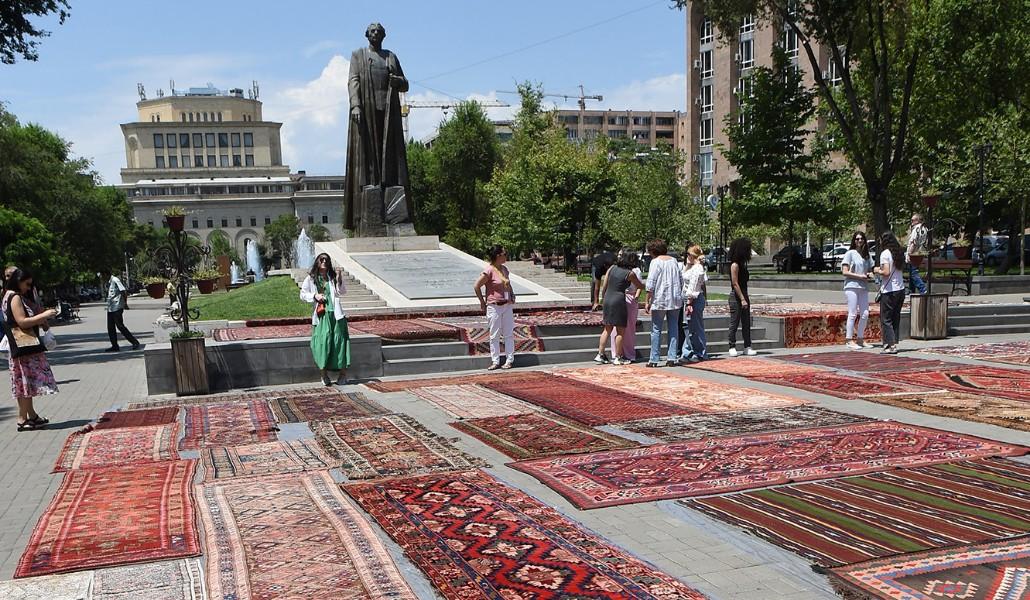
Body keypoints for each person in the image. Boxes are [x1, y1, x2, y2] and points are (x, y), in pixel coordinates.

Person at [343, 22, 413, 232]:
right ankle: (372, 188)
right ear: (367, 35)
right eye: (372, 31)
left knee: (390, 154)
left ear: (384, 35)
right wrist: (355, 105)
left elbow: (405, 84)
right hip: (367, 111)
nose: (375, 34)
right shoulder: (359, 56)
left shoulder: (391, 56)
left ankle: (390, 188)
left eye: (379, 31)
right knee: (369, 154)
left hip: (389, 113)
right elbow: (353, 81)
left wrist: (397, 80)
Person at [3, 268, 58, 431]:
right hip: (23, 345)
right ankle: (22, 418)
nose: (28, 288)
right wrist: (44, 316)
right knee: (24, 383)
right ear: (18, 281)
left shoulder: (9, 295)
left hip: (21, 346)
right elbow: (22, 321)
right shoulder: (14, 297)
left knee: (24, 383)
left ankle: (31, 415)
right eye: (27, 284)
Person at [300, 253, 351, 385]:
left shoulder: (332, 277)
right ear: (317, 262)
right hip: (322, 315)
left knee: (340, 343)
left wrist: (339, 278)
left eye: (326, 260)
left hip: (337, 315)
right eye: (321, 259)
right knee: (322, 343)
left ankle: (343, 375)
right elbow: (303, 294)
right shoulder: (311, 278)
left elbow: (342, 291)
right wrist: (315, 296)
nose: (324, 261)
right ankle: (323, 375)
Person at [594, 248, 645, 365]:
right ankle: (618, 356)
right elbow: (639, 286)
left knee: (607, 329)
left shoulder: (612, 268)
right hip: (618, 300)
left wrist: (603, 298)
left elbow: (605, 285)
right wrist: (648, 285)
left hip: (608, 298)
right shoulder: (630, 273)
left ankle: (600, 354)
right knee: (620, 331)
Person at [474, 245, 516, 370]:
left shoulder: (504, 269)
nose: (506, 256)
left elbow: (508, 283)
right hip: (494, 306)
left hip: (507, 304)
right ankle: (495, 360)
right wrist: (482, 301)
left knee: (508, 333)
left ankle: (509, 359)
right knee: (494, 334)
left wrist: (512, 294)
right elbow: (477, 286)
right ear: (498, 256)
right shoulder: (489, 271)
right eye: (504, 254)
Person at [644, 239, 683, 367]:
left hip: (660, 298)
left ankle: (654, 359)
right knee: (673, 327)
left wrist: (647, 301)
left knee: (656, 329)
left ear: (653, 251)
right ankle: (672, 357)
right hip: (674, 298)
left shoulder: (655, 262)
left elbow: (651, 283)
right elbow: (680, 279)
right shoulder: (674, 261)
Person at [841, 231, 875, 349]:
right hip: (851, 286)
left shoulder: (867, 255)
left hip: (863, 286)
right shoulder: (850, 253)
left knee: (865, 313)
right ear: (854, 241)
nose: (859, 241)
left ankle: (860, 339)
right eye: (857, 239)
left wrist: (870, 274)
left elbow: (870, 269)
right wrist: (859, 276)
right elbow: (845, 272)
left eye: (861, 239)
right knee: (853, 312)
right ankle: (849, 340)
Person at [874, 232, 906, 354]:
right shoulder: (899, 253)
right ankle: (893, 342)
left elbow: (886, 272)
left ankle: (890, 346)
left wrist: (877, 270)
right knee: (895, 317)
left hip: (889, 291)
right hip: (900, 289)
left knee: (886, 319)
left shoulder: (885, 254)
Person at [610, 250, 642, 362]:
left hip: (630, 297)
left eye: (621, 255)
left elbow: (639, 286)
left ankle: (628, 353)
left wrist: (636, 296)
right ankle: (617, 353)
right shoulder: (617, 269)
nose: (619, 257)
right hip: (620, 297)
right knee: (617, 328)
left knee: (629, 328)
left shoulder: (635, 271)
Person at [727, 238, 757, 356]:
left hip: (744, 294)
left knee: (746, 322)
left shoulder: (743, 265)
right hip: (736, 296)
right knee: (734, 322)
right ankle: (732, 345)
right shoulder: (734, 265)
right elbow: (735, 283)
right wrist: (742, 299)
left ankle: (747, 346)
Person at [680, 245, 709, 362]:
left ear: (692, 255)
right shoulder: (693, 267)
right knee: (688, 327)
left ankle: (701, 352)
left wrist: (689, 302)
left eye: (688, 254)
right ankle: (688, 352)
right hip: (689, 299)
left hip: (694, 300)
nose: (687, 256)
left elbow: (694, 285)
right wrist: (688, 264)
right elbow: (683, 275)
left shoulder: (698, 268)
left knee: (696, 327)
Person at [102, 270, 141, 352]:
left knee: (120, 326)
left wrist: (125, 303)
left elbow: (123, 291)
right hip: (111, 308)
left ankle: (134, 342)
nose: (102, 278)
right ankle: (114, 346)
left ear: (106, 274)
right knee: (110, 328)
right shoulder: (109, 282)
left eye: (103, 276)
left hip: (117, 307)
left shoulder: (115, 280)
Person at [905, 213, 928, 294]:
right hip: (920, 252)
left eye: (912, 220)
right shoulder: (925, 229)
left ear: (917, 220)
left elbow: (913, 243)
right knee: (912, 272)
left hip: (914, 253)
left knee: (914, 273)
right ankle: (911, 290)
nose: (911, 222)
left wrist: (909, 254)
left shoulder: (916, 229)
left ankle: (923, 289)